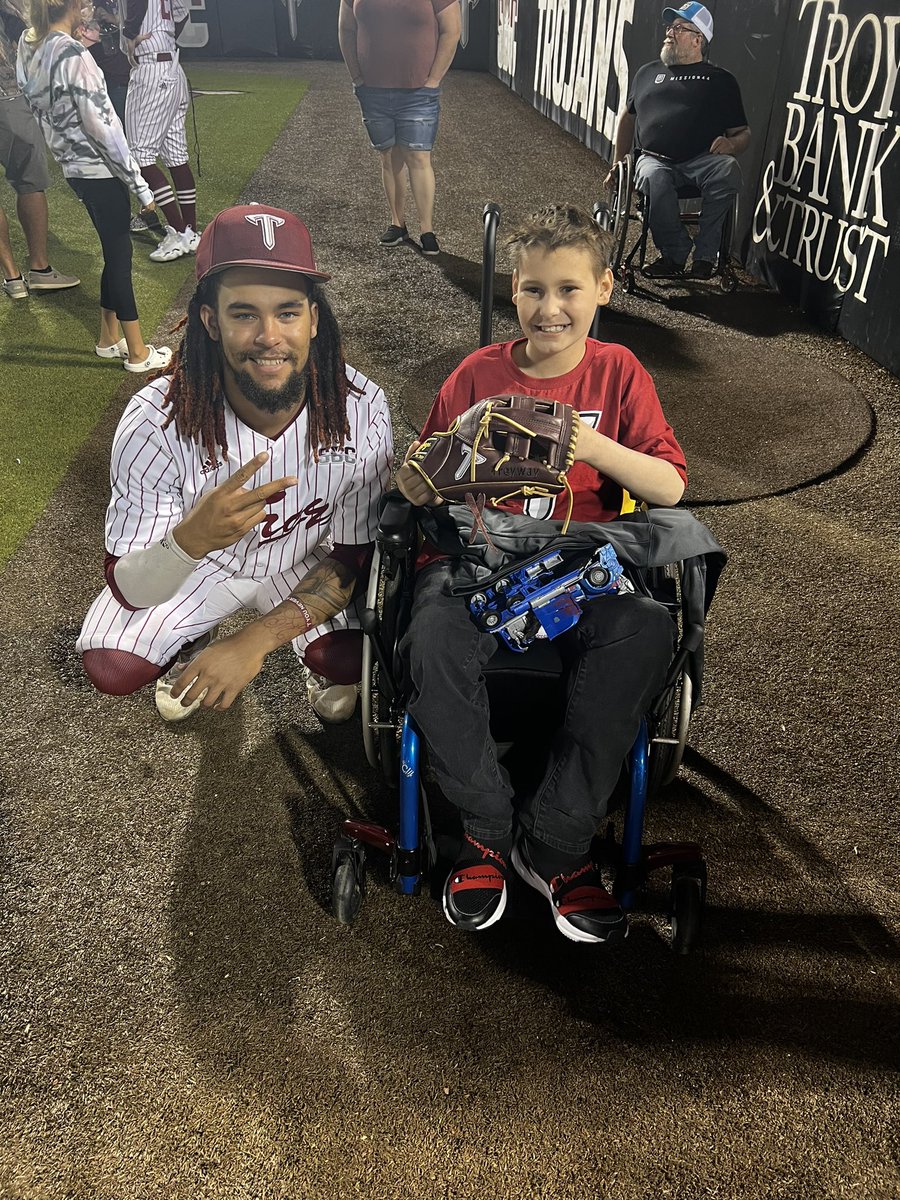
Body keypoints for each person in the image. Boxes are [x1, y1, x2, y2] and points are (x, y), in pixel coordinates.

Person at [395, 204, 688, 943]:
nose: (549, 309)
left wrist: (592, 447)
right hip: (479, 555)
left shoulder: (618, 371)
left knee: (647, 627)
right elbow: (411, 490)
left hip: (579, 561)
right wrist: (453, 448)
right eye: (532, 290)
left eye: (568, 290)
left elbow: (670, 488)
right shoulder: (476, 372)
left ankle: (554, 841)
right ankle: (486, 830)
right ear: (512, 291)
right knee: (430, 630)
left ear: (604, 290)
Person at [76, 203, 394, 727]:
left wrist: (252, 643)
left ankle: (294, 659)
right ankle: (190, 635)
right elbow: (126, 584)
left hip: (302, 561)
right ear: (210, 321)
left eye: (288, 312)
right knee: (113, 666)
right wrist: (190, 540)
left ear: (314, 319)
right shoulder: (156, 420)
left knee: (348, 659)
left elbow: (354, 556)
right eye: (244, 313)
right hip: (196, 566)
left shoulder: (359, 408)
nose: (270, 336)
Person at [17, 0, 170, 369]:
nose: (89, 6)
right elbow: (104, 128)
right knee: (120, 257)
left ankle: (107, 338)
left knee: (113, 251)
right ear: (71, 5)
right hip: (100, 170)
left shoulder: (29, 42)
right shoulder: (74, 55)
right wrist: (141, 187)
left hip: (73, 169)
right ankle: (137, 353)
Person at [605, 2, 750, 280]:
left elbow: (743, 133)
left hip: (702, 160)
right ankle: (674, 252)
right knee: (653, 177)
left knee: (728, 168)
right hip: (653, 159)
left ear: (698, 40)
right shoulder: (647, 72)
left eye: (678, 28)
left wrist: (732, 145)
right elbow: (627, 118)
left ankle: (706, 257)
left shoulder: (721, 80)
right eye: (670, 26)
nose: (669, 32)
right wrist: (617, 162)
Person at [338, 0, 460, 255]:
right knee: (389, 158)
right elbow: (346, 30)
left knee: (418, 157)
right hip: (373, 91)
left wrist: (434, 79)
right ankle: (398, 223)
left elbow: (452, 30)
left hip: (419, 91)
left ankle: (427, 230)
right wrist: (357, 77)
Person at [0, 0, 79, 299]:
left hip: (9, 93)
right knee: (29, 183)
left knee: (30, 183)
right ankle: (39, 269)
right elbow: (28, 22)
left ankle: (12, 277)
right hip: (8, 95)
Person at [122, 0, 198, 262]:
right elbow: (182, 13)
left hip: (152, 69)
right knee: (176, 155)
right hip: (173, 65)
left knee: (140, 156)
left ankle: (177, 232)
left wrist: (129, 34)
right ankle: (190, 230)